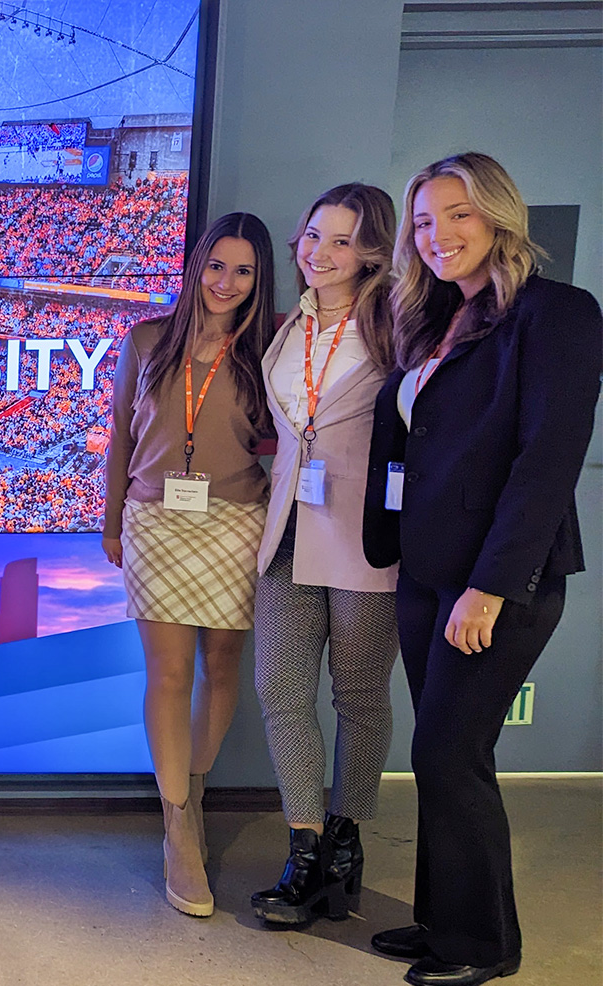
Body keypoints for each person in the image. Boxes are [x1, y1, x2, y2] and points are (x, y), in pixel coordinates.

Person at [361, 153, 601, 986]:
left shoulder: (556, 313)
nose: (437, 236)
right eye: (424, 221)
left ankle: (484, 945)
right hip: (429, 573)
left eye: (456, 214)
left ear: (499, 214)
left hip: (495, 584)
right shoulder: (435, 321)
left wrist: (492, 586)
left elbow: (547, 461)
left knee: (447, 755)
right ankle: (441, 922)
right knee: (446, 752)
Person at [103, 212, 277, 917]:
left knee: (224, 666)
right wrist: (111, 519)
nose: (225, 282)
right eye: (215, 266)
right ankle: (179, 821)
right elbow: (120, 435)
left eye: (242, 271)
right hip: (155, 519)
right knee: (170, 674)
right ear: (195, 265)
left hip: (237, 522)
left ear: (259, 278)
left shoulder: (268, 350)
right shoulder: (145, 340)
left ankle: (194, 786)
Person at [249, 184, 401, 925]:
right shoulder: (290, 328)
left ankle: (346, 838)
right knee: (282, 693)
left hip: (365, 539)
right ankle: (303, 848)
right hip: (287, 532)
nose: (322, 252)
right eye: (314, 234)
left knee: (360, 697)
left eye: (342, 241)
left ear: (374, 250)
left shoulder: (400, 324)